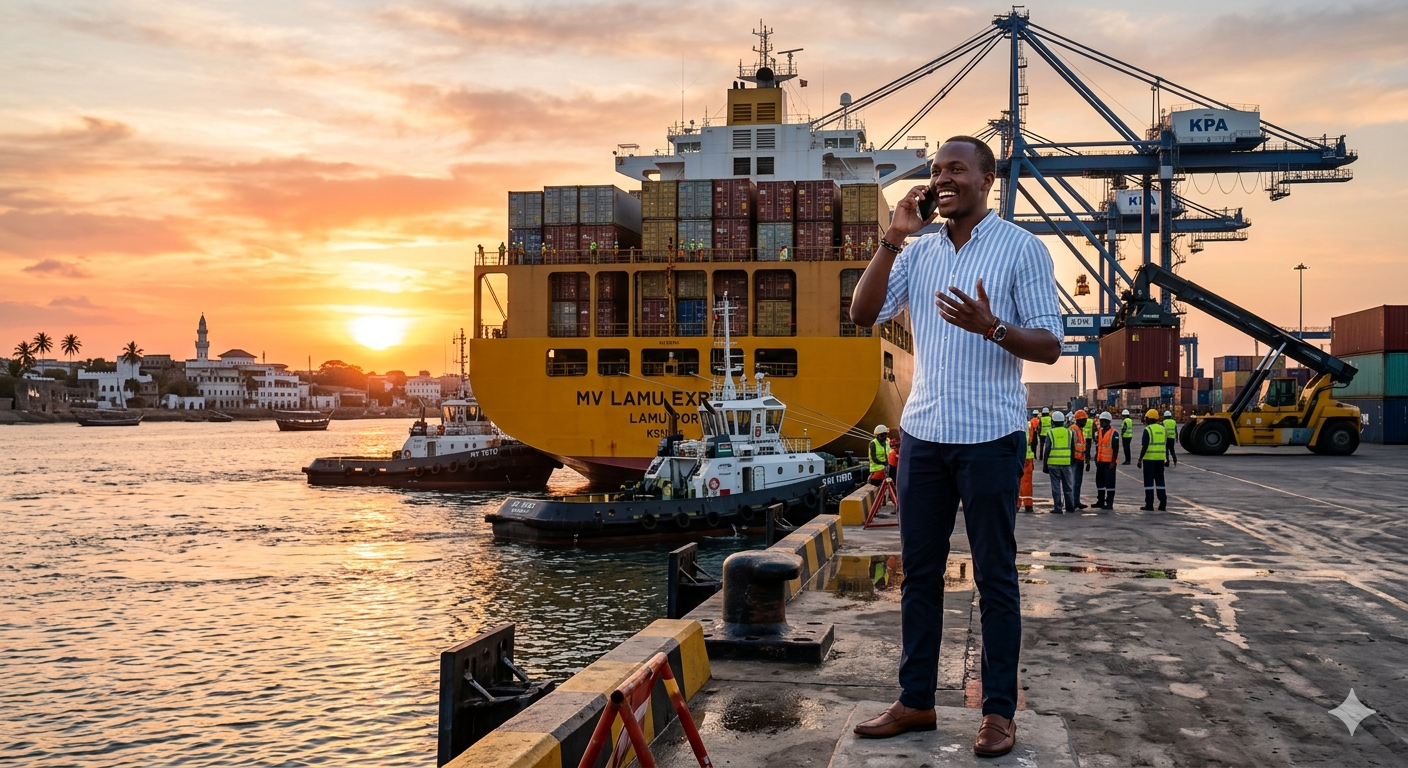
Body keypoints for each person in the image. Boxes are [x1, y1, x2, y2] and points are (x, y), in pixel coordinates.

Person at [846, 136, 1062, 757]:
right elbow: (862, 314)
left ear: (987, 178)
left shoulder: (1022, 249)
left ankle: (998, 713)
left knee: (995, 577)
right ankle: (916, 701)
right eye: (936, 171)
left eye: (956, 169)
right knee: (919, 575)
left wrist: (991, 326)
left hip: (991, 435)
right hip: (924, 434)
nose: (943, 179)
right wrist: (894, 236)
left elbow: (1049, 344)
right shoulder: (918, 254)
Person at [1042, 410, 1075, 514]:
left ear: (1053, 421)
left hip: (1053, 463)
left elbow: (1047, 449)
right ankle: (1070, 507)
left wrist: (1045, 465)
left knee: (1056, 487)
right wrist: (1072, 461)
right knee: (1068, 487)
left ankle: (1058, 507)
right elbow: (1073, 448)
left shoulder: (1050, 432)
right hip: (1066, 463)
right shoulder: (1069, 432)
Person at [1138, 409, 1168, 511]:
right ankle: (1163, 502)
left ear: (1148, 419)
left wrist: (1140, 459)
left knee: (1149, 482)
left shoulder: (1148, 430)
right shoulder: (1163, 429)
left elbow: (1145, 446)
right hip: (1160, 459)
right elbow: (1165, 444)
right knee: (1160, 481)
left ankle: (1149, 504)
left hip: (1149, 459)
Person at [1093, 411, 1120, 509]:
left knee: (1110, 482)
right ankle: (1100, 500)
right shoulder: (1099, 432)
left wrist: (1113, 461)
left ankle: (1109, 502)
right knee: (1099, 481)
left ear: (1108, 422)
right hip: (1100, 461)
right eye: (1101, 421)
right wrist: (1096, 457)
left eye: (1103, 421)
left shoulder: (1114, 433)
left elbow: (1115, 448)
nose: (1101, 423)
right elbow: (1098, 445)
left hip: (1109, 463)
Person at [1070, 409, 1090, 510]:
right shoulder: (1074, 429)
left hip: (1080, 459)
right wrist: (1072, 457)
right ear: (1079, 420)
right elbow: (1071, 445)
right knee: (1074, 482)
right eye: (1084, 420)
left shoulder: (1080, 430)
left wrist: (1086, 459)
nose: (1086, 422)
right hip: (1075, 460)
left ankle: (1076, 501)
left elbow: (1083, 445)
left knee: (1078, 482)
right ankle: (1072, 502)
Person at [1019, 414, 1036, 514]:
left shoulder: (1014, 424)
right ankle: (1028, 504)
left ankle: (1016, 504)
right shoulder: (1029, 426)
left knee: (1015, 480)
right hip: (1028, 457)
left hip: (1017, 456)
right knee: (1027, 482)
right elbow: (1033, 443)